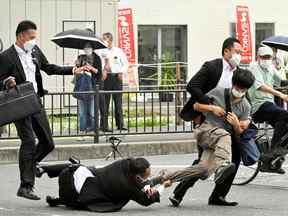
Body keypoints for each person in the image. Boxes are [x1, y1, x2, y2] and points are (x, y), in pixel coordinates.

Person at [0, 20, 87, 200]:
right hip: (19, 101)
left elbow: (49, 68)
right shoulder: (6, 56)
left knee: (48, 143)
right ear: (20, 36)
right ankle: (26, 186)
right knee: (29, 141)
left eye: (35, 37)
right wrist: (7, 81)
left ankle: (31, 168)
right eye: (31, 37)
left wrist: (73, 70)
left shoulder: (35, 51)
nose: (34, 40)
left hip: (35, 100)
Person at [171, 37, 249, 207]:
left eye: (241, 53)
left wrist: (244, 119)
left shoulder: (238, 72)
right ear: (226, 51)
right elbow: (192, 86)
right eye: (237, 52)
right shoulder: (212, 67)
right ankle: (179, 192)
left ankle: (218, 195)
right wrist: (209, 104)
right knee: (203, 161)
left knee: (234, 157)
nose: (239, 56)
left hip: (229, 122)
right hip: (208, 118)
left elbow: (244, 94)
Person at [164, 68, 254, 201]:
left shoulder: (245, 105)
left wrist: (235, 123)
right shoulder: (218, 92)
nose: (240, 91)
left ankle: (217, 195)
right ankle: (220, 167)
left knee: (209, 168)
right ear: (233, 84)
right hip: (208, 132)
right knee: (214, 154)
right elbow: (196, 106)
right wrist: (212, 108)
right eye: (238, 87)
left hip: (224, 139)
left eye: (244, 89)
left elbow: (240, 130)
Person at [39, 158, 172, 212]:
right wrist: (163, 186)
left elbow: (142, 183)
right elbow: (146, 200)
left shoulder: (124, 163)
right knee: (91, 196)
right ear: (137, 175)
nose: (149, 173)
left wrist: (157, 179)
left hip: (67, 175)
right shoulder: (128, 187)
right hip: (74, 196)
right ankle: (60, 200)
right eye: (148, 173)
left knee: (77, 166)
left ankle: (45, 169)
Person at [248, 46, 288, 174]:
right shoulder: (254, 67)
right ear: (258, 57)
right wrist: (280, 95)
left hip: (269, 105)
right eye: (263, 57)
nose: (266, 59)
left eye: (268, 57)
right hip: (258, 106)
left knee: (286, 130)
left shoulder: (270, 68)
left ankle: (273, 162)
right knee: (283, 114)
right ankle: (273, 151)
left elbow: (281, 82)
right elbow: (260, 86)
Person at [73, 42, 109, 138]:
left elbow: (99, 73)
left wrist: (91, 68)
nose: (87, 49)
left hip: (93, 87)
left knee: (92, 111)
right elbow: (75, 71)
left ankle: (93, 130)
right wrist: (82, 67)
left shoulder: (97, 58)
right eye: (85, 47)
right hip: (81, 87)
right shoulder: (80, 57)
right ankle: (82, 131)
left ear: (92, 48)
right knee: (82, 111)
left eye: (88, 47)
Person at [99, 32, 128, 131]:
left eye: (105, 39)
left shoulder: (118, 51)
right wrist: (103, 70)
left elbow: (125, 64)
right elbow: (99, 64)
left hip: (117, 78)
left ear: (110, 40)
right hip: (106, 78)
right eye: (103, 39)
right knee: (105, 103)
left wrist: (121, 71)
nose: (103, 41)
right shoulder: (101, 51)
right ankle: (104, 125)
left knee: (118, 102)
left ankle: (120, 124)